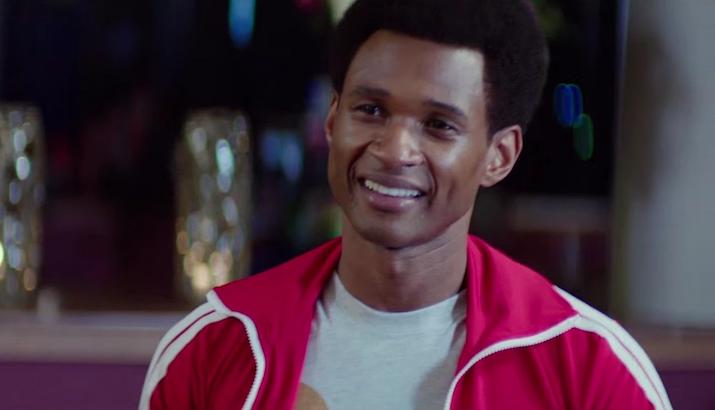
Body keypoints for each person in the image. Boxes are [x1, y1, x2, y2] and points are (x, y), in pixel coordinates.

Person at [140, 0, 672, 409]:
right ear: (332, 121)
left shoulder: (589, 367)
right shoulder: (212, 347)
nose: (395, 151)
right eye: (371, 110)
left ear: (499, 156)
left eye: (439, 125)